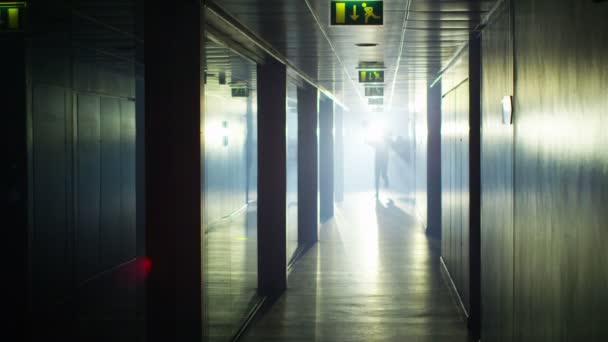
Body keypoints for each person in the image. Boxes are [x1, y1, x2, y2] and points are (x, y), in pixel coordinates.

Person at [372, 132, 390, 197]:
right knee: (377, 177)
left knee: (383, 174)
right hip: (378, 162)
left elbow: (370, 142)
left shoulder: (386, 143)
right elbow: (370, 142)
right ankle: (377, 192)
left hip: (382, 162)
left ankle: (386, 181)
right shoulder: (377, 143)